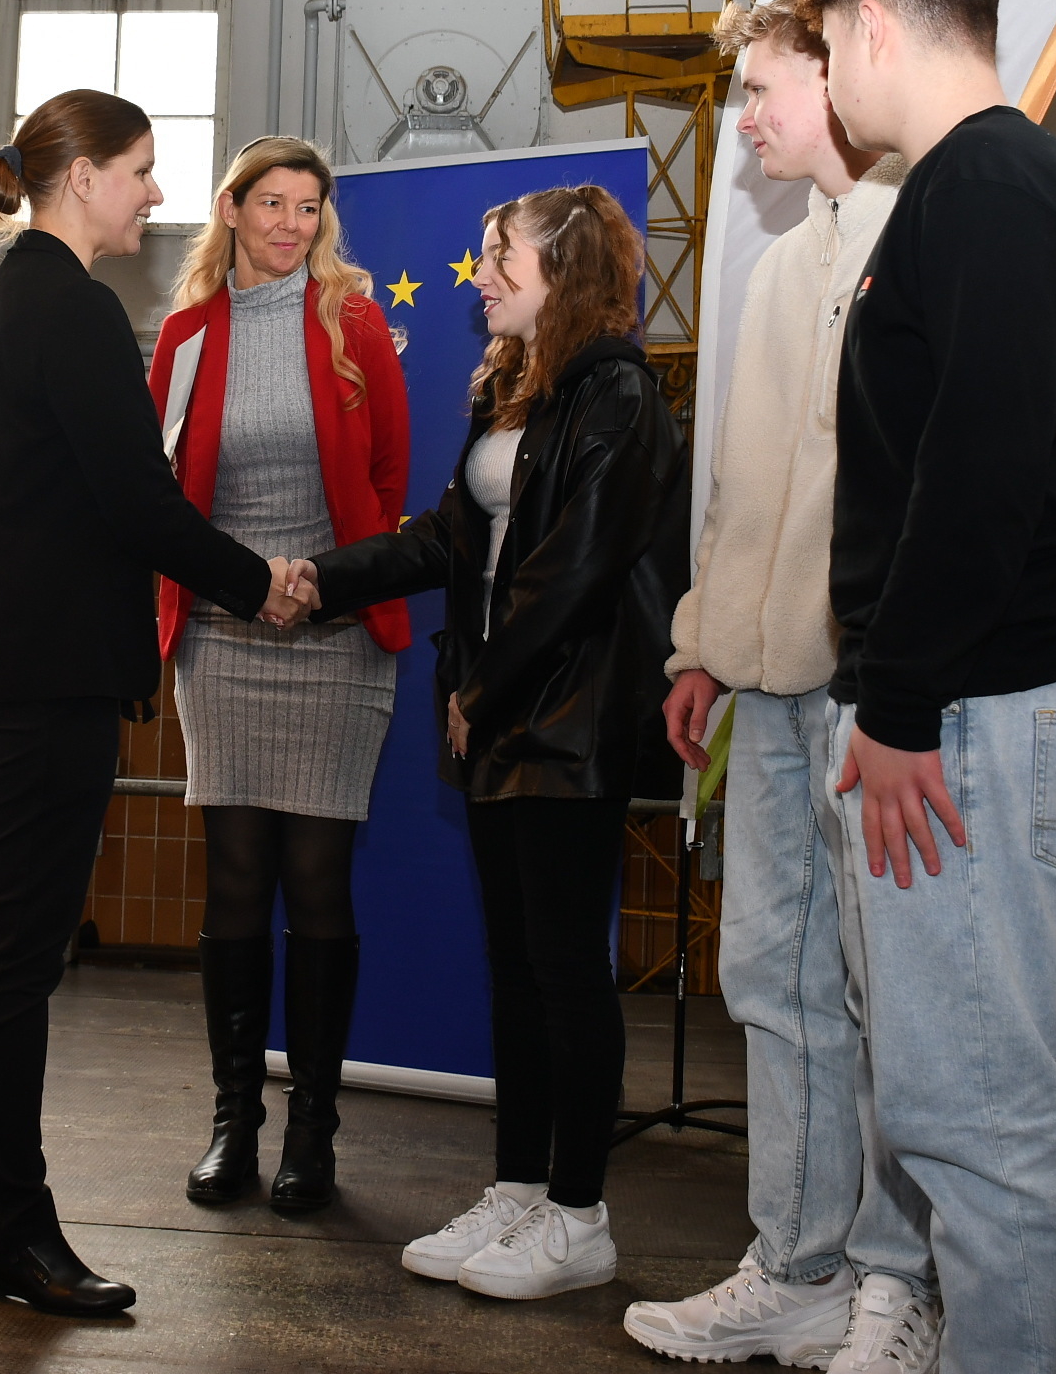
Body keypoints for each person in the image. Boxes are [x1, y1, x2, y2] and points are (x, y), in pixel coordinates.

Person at [0, 89, 301, 1319]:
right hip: (44, 666)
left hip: (3, 655)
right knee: (18, 952)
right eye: (142, 169)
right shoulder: (77, 309)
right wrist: (261, 581)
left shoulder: (5, 305)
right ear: (83, 176)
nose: (156, 193)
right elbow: (139, 502)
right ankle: (15, 1231)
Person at [812, 0, 1056, 1373]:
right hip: (986, 692)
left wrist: (896, 706)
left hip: (983, 703)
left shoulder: (989, 180)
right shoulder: (992, 181)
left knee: (983, 1121)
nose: (830, 84)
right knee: (961, 1103)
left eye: (829, 50)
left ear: (874, 26)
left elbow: (985, 464)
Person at [287, 183, 687, 1303]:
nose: (484, 278)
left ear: (567, 267)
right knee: (515, 970)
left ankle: (579, 1214)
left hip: (569, 716)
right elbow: (448, 539)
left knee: (566, 971)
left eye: (503, 256)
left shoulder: (619, 394)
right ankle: (518, 1189)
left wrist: (480, 685)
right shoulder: (510, 387)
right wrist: (322, 577)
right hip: (501, 713)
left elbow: (575, 572)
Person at [621, 0, 940, 1370]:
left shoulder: (923, 231)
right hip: (766, 682)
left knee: (886, 990)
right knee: (770, 973)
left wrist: (897, 679)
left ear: (837, 68)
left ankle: (898, 1283)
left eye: (760, 89)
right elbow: (741, 492)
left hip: (872, 687)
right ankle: (798, 1263)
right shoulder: (773, 268)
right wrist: (703, 642)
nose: (742, 118)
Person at [150, 137, 410, 1215]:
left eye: (309, 207)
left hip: (333, 636)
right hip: (221, 638)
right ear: (232, 209)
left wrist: (319, 585)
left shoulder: (354, 323)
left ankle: (313, 1129)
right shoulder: (186, 336)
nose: (291, 225)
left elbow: (388, 478)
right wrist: (246, 585)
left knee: (317, 882)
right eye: (272, 203)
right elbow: (161, 492)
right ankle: (233, 1121)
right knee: (236, 880)